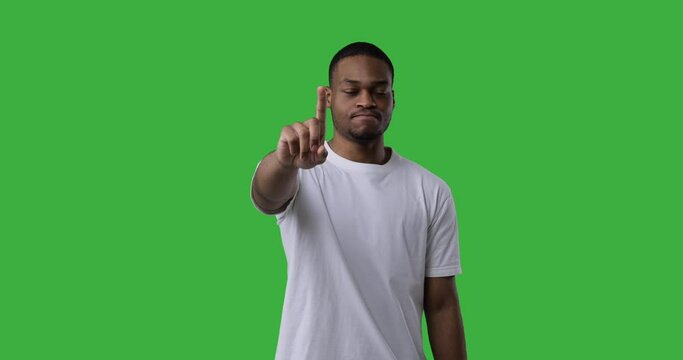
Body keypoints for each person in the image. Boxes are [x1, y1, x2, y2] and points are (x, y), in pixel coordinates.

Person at [250, 41, 466, 360]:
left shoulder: (430, 189)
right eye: (352, 91)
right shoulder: (300, 171)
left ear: (393, 99)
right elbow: (266, 197)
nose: (367, 101)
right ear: (329, 97)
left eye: (379, 91)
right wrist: (284, 162)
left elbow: (441, 304)